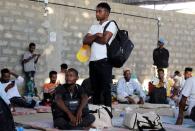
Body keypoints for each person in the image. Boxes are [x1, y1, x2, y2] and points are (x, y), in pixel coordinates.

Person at [83, 2, 117, 107]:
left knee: (106, 90)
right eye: (96, 11)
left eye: (99, 11)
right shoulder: (93, 27)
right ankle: (96, 113)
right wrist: (97, 35)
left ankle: (107, 113)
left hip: (104, 62)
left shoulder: (111, 24)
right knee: (95, 90)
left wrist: (93, 37)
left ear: (106, 13)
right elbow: (85, 41)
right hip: (93, 62)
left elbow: (104, 40)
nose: (97, 13)